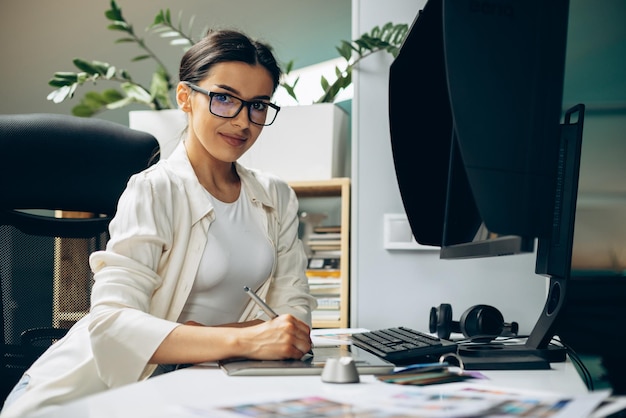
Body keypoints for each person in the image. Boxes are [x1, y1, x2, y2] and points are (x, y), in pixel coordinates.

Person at [1, 29, 316, 418]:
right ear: (185, 98)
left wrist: (265, 338)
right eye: (224, 98)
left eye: (258, 105)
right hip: (85, 396)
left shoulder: (276, 196)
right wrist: (241, 339)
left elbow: (290, 315)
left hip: (198, 384)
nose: (242, 121)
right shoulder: (153, 191)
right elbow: (111, 324)